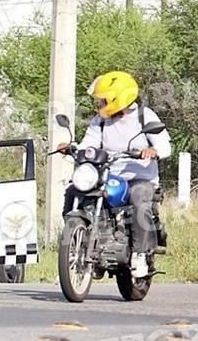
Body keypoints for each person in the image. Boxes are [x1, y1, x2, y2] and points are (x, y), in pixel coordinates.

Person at [57, 71, 172, 278]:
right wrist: (73, 148)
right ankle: (73, 246)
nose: (98, 104)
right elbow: (88, 144)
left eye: (102, 100)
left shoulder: (144, 117)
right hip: (107, 174)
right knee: (74, 190)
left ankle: (139, 254)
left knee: (138, 196)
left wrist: (153, 151)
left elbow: (165, 146)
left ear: (116, 99)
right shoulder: (99, 122)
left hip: (140, 177)